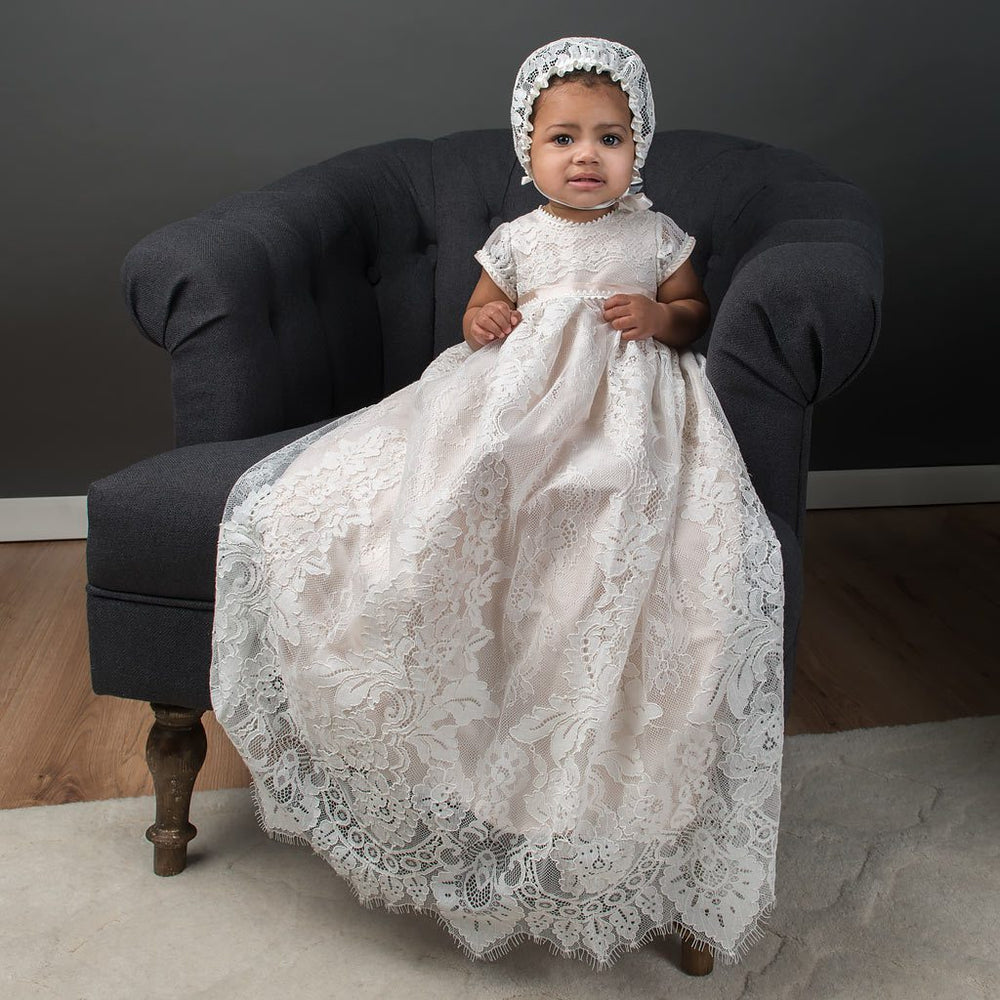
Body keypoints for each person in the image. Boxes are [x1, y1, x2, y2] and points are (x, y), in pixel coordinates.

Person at [210, 36, 786, 971]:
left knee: (617, 496)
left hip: (627, 406)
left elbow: (692, 309)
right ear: (529, 152)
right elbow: (480, 313)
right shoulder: (518, 238)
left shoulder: (654, 233)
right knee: (464, 484)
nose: (586, 157)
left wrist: (662, 318)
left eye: (610, 138)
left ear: (640, 148)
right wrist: (483, 319)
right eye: (563, 139)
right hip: (514, 405)